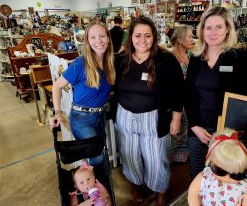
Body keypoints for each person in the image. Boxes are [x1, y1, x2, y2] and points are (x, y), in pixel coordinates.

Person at [113, 16, 184, 206]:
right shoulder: (121, 59)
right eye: (138, 35)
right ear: (131, 37)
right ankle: (135, 184)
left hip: (154, 117)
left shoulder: (166, 59)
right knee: (130, 156)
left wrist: (176, 119)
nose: (142, 40)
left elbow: (178, 90)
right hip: (125, 115)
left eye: (147, 35)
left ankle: (160, 190)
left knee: (156, 158)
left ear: (154, 37)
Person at [184, 6, 247, 180]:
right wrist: (194, 125)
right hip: (198, 128)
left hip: (227, 131)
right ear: (202, 31)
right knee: (197, 174)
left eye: (219, 27)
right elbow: (189, 93)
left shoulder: (241, 57)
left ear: (227, 29)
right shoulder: (196, 56)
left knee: (222, 177)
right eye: (208, 27)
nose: (213, 32)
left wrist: (230, 133)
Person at [50, 20, 116, 166]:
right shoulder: (81, 64)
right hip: (81, 119)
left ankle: (94, 184)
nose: (98, 41)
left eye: (102, 36)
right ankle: (92, 185)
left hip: (100, 116)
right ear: (87, 41)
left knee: (98, 153)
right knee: (97, 155)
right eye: (93, 37)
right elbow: (56, 86)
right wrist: (58, 113)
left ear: (108, 38)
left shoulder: (110, 63)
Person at [187, 128, 247, 206]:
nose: (227, 178)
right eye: (220, 171)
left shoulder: (244, 188)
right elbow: (192, 194)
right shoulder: (205, 177)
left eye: (237, 175)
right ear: (211, 162)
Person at [167, 25, 194, 163]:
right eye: (190, 36)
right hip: (175, 103)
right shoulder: (169, 57)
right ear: (180, 39)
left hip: (187, 101)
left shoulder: (190, 55)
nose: (193, 39)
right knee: (175, 131)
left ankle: (183, 157)